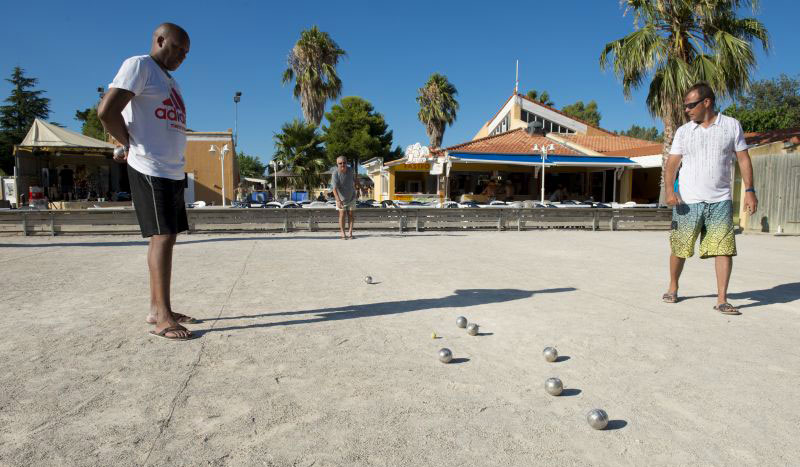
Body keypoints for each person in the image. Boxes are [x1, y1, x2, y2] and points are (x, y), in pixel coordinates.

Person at [98, 23, 196, 340]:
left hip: (170, 169)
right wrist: (128, 144)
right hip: (150, 167)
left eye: (186, 52)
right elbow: (107, 110)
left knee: (165, 237)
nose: (182, 55)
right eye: (177, 48)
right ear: (159, 40)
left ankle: (157, 308)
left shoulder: (170, 81)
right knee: (163, 236)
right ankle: (163, 318)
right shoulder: (140, 65)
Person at [663, 82, 757, 316]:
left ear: (707, 102)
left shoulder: (731, 126)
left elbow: (743, 159)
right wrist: (669, 191)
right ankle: (673, 286)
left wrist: (749, 190)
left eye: (691, 105)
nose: (687, 110)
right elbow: (672, 163)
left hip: (720, 200)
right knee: (680, 248)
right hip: (687, 201)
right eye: (685, 106)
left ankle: (722, 299)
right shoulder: (684, 131)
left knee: (724, 248)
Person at [332, 155, 358, 239]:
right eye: (340, 163)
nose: (342, 165)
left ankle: (350, 233)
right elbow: (334, 189)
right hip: (341, 198)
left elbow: (355, 179)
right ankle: (342, 233)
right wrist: (338, 200)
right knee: (342, 214)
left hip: (351, 196)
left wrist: (361, 188)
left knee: (351, 214)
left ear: (347, 163)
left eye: (344, 163)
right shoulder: (335, 173)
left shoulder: (350, 170)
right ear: (337, 164)